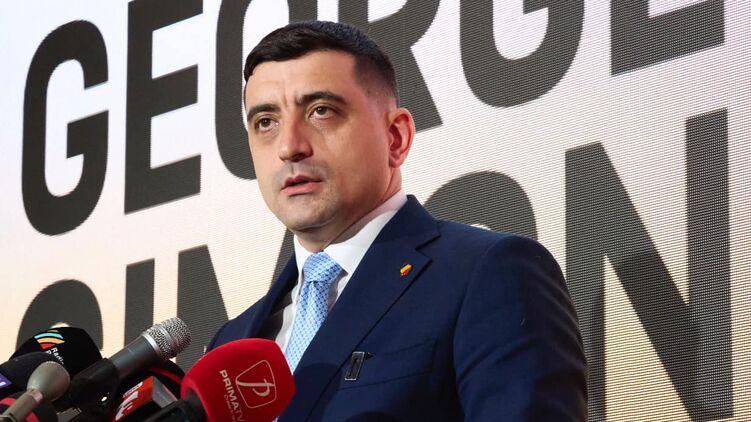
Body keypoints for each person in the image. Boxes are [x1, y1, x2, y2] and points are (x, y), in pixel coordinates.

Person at [208, 20, 587, 421]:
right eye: (266, 122)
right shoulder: (229, 346)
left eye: (321, 112)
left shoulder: (488, 275)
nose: (289, 147)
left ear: (396, 137)